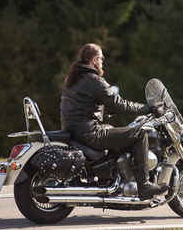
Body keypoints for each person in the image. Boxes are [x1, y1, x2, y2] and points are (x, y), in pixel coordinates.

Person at [60, 43, 169, 200]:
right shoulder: (94, 81)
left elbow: (83, 105)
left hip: (74, 131)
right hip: (89, 133)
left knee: (110, 128)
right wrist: (148, 108)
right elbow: (120, 104)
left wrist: (108, 110)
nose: (103, 62)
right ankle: (144, 185)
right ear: (94, 60)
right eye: (102, 58)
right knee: (141, 134)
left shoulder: (71, 79)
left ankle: (114, 174)